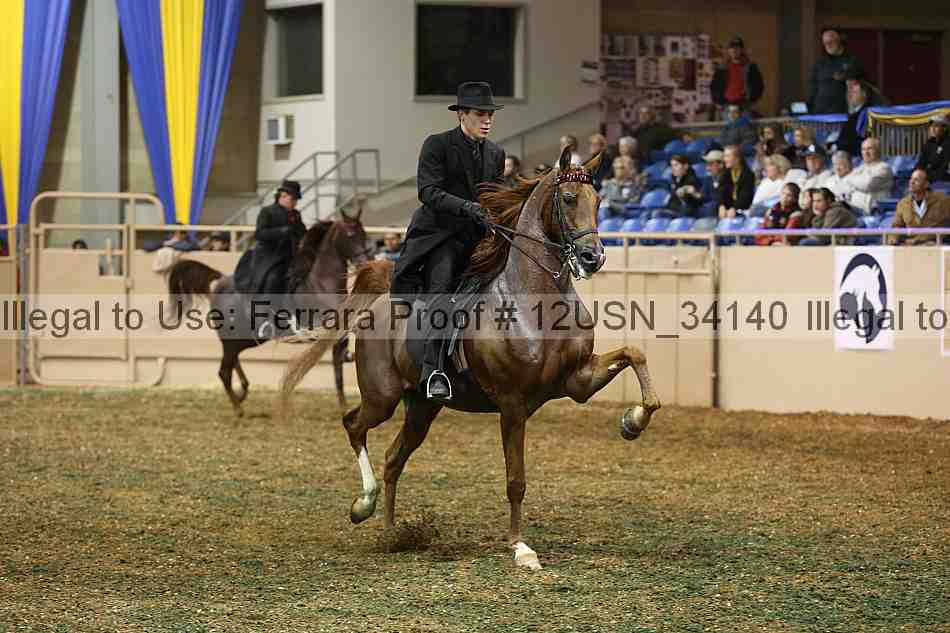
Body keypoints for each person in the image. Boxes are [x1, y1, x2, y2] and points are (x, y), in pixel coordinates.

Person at [391, 82, 504, 400]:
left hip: (478, 237)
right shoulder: (437, 145)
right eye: (481, 114)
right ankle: (433, 369)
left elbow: (496, 195)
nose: (487, 120)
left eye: (490, 115)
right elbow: (428, 192)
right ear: (461, 115)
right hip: (441, 235)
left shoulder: (496, 153)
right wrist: (468, 207)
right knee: (442, 287)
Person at [233, 179, 307, 337]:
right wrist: (281, 231)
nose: (295, 203)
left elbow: (302, 233)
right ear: (282, 195)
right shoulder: (267, 212)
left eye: (296, 200)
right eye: (292, 199)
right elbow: (259, 233)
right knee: (273, 279)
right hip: (269, 257)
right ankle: (265, 319)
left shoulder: (296, 214)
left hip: (290, 256)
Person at [808, 27, 864, 114]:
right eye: (825, 43)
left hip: (841, 112)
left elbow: (857, 83)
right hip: (820, 112)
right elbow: (813, 87)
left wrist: (844, 76)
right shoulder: (820, 63)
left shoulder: (852, 60)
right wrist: (809, 108)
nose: (828, 46)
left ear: (839, 41)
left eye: (830, 42)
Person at [889, 169, 950, 245]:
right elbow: (896, 225)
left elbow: (944, 224)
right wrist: (893, 238)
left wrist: (918, 240)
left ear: (926, 184)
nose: (911, 182)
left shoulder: (943, 200)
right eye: (911, 179)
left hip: (936, 244)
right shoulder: (903, 203)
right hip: (910, 245)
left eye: (916, 180)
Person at [710, 36, 764, 113]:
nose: (734, 50)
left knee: (742, 121)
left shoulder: (750, 67)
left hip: (743, 106)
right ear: (728, 51)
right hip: (726, 106)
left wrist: (751, 101)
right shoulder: (722, 68)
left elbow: (759, 86)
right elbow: (714, 86)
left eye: (737, 48)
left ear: (742, 50)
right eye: (731, 48)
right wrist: (718, 102)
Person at [842, 137, 893, 214]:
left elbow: (867, 184)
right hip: (853, 210)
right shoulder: (860, 168)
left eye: (869, 149)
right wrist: (855, 181)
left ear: (878, 150)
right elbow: (844, 182)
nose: (866, 152)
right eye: (863, 149)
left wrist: (852, 181)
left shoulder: (884, 168)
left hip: (873, 213)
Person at [719, 145, 755, 218]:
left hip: (743, 210)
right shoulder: (725, 174)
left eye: (727, 156)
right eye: (724, 156)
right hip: (727, 210)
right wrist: (721, 206)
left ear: (737, 159)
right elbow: (721, 192)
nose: (725, 159)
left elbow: (745, 196)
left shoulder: (748, 174)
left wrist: (734, 208)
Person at [915, 114, 950, 183]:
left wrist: (927, 175)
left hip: (942, 180)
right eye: (931, 126)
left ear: (944, 128)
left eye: (936, 126)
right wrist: (917, 172)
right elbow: (921, 162)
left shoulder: (948, 144)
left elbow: (944, 168)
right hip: (926, 177)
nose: (932, 129)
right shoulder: (929, 143)